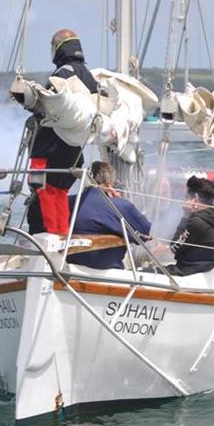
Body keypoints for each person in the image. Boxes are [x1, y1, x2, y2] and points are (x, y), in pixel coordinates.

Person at [26, 29, 98, 235]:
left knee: (44, 190)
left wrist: (27, 102)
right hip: (73, 149)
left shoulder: (61, 74)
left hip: (48, 149)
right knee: (60, 191)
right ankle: (62, 233)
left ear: (57, 48)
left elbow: (49, 105)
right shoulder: (88, 76)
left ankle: (51, 235)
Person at [67, 162, 151, 270]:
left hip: (68, 270)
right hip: (107, 274)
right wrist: (119, 201)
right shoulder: (120, 206)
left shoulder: (68, 202)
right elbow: (144, 234)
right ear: (110, 184)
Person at [165, 176, 214, 276]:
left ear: (196, 198)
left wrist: (185, 216)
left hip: (188, 270)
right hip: (206, 268)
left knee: (147, 272)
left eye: (186, 197)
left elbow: (174, 247)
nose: (184, 200)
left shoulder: (197, 222)